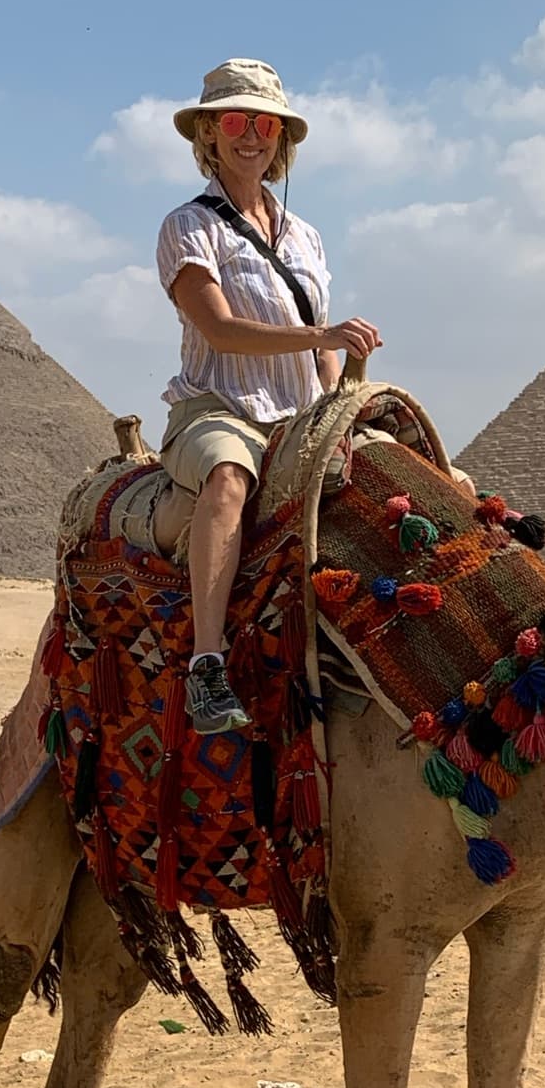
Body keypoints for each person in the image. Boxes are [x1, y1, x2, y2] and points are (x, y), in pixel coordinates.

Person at [157, 58, 382, 734]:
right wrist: (323, 333)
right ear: (209, 133)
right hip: (218, 408)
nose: (250, 135)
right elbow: (220, 331)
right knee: (228, 478)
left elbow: (321, 351)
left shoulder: (306, 237)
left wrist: (342, 400)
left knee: (399, 474)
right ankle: (206, 666)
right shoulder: (188, 226)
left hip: (297, 415)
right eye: (235, 121)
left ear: (281, 136)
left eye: (264, 123)